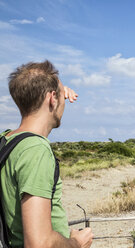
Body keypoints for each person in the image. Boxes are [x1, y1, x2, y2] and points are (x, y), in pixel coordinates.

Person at [0, 61, 94, 247]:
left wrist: (55, 90)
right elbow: (39, 243)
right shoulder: (36, 150)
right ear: (52, 99)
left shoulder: (7, 141)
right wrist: (76, 243)